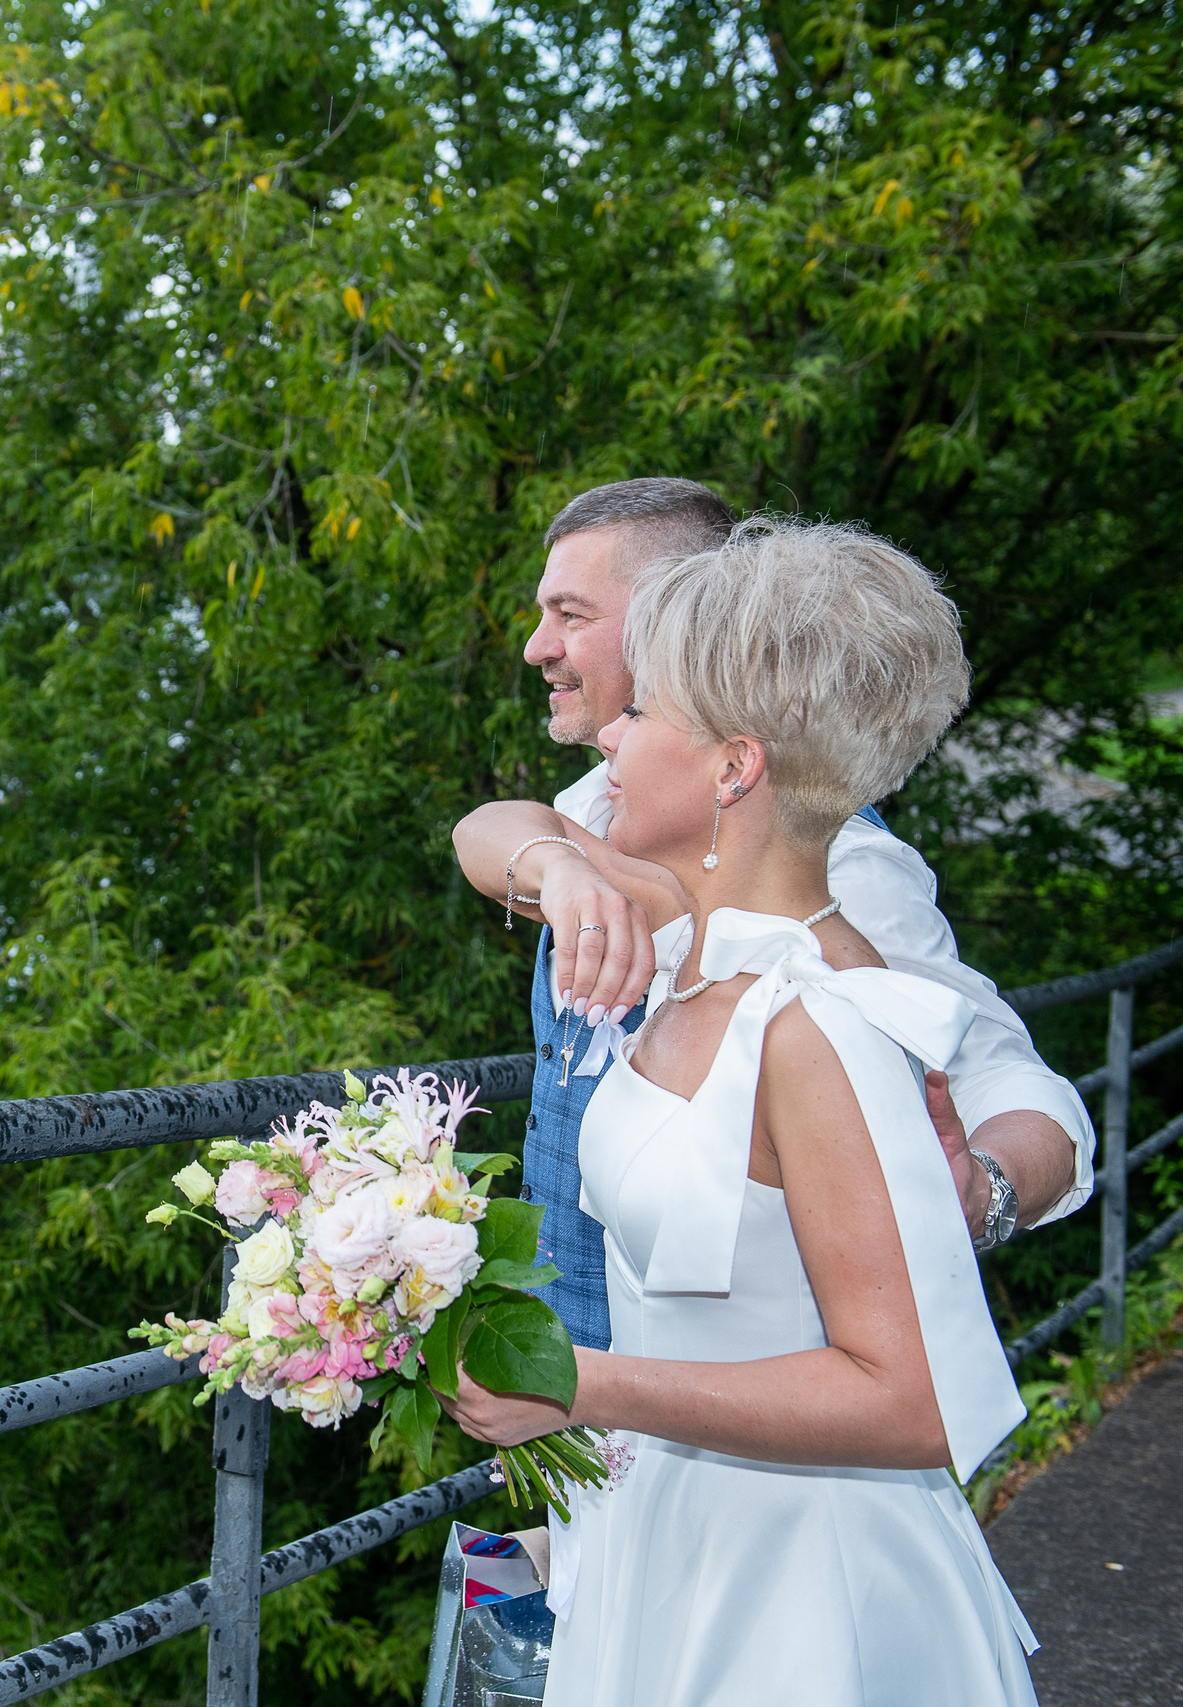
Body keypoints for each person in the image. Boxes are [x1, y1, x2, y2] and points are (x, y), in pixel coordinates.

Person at [443, 516, 1042, 1703]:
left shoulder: (817, 1021)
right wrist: (558, 869)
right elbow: (488, 831)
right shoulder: (689, 947)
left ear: (734, 767)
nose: (610, 735)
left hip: (794, 1592)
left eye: (640, 711)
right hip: (663, 1532)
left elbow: (914, 1399)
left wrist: (581, 1386)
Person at [451, 479, 1090, 1352]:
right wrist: (558, 870)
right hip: (577, 1378)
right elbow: (491, 829)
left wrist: (982, 1193)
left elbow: (1004, 1080)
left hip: (716, 1387)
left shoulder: (838, 873)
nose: (537, 646)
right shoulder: (607, 810)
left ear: (681, 611)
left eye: (571, 613)